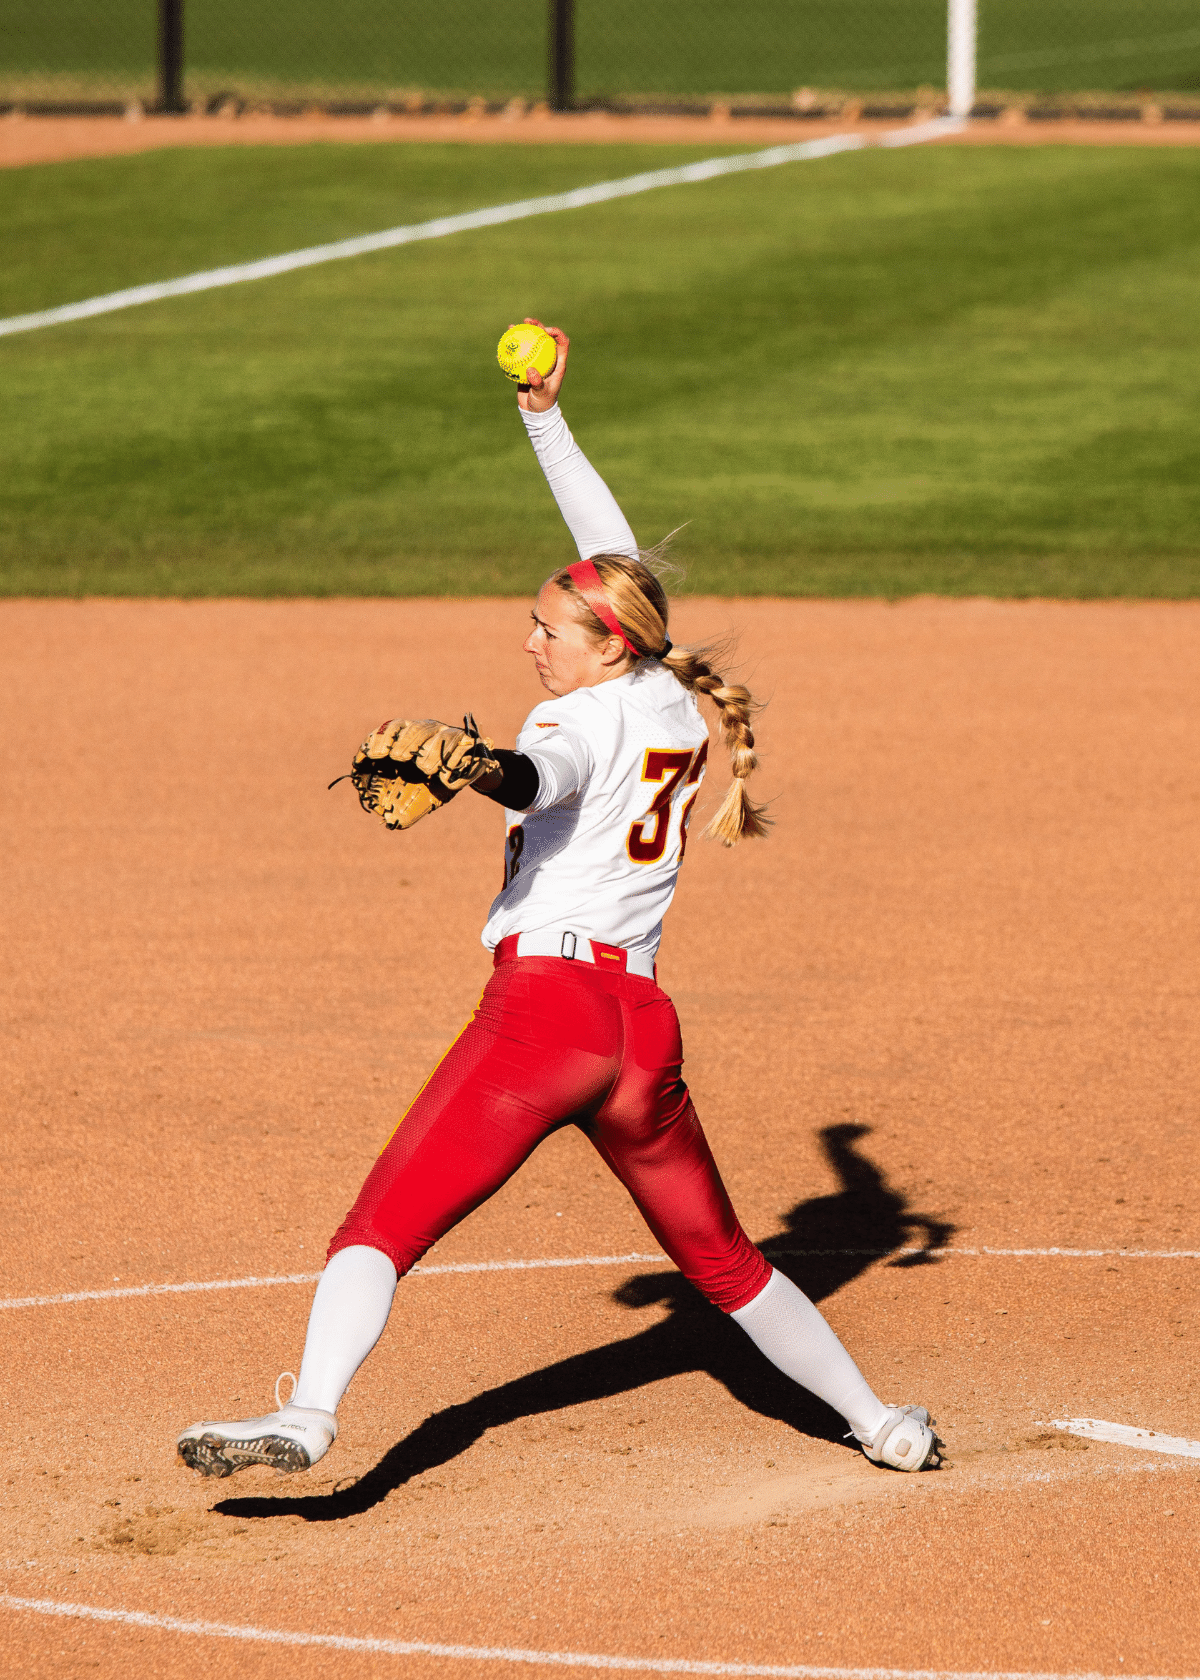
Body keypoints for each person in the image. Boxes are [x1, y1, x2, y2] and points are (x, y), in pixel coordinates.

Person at [177, 320, 939, 1480]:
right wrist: (544, 418)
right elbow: (613, 556)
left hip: (546, 1019)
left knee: (379, 1228)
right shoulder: (670, 696)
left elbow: (542, 777)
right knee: (726, 1261)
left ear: (599, 648)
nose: (528, 639)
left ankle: (309, 1417)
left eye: (546, 628)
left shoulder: (573, 720)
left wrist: (475, 766)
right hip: (641, 1033)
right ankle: (885, 1426)